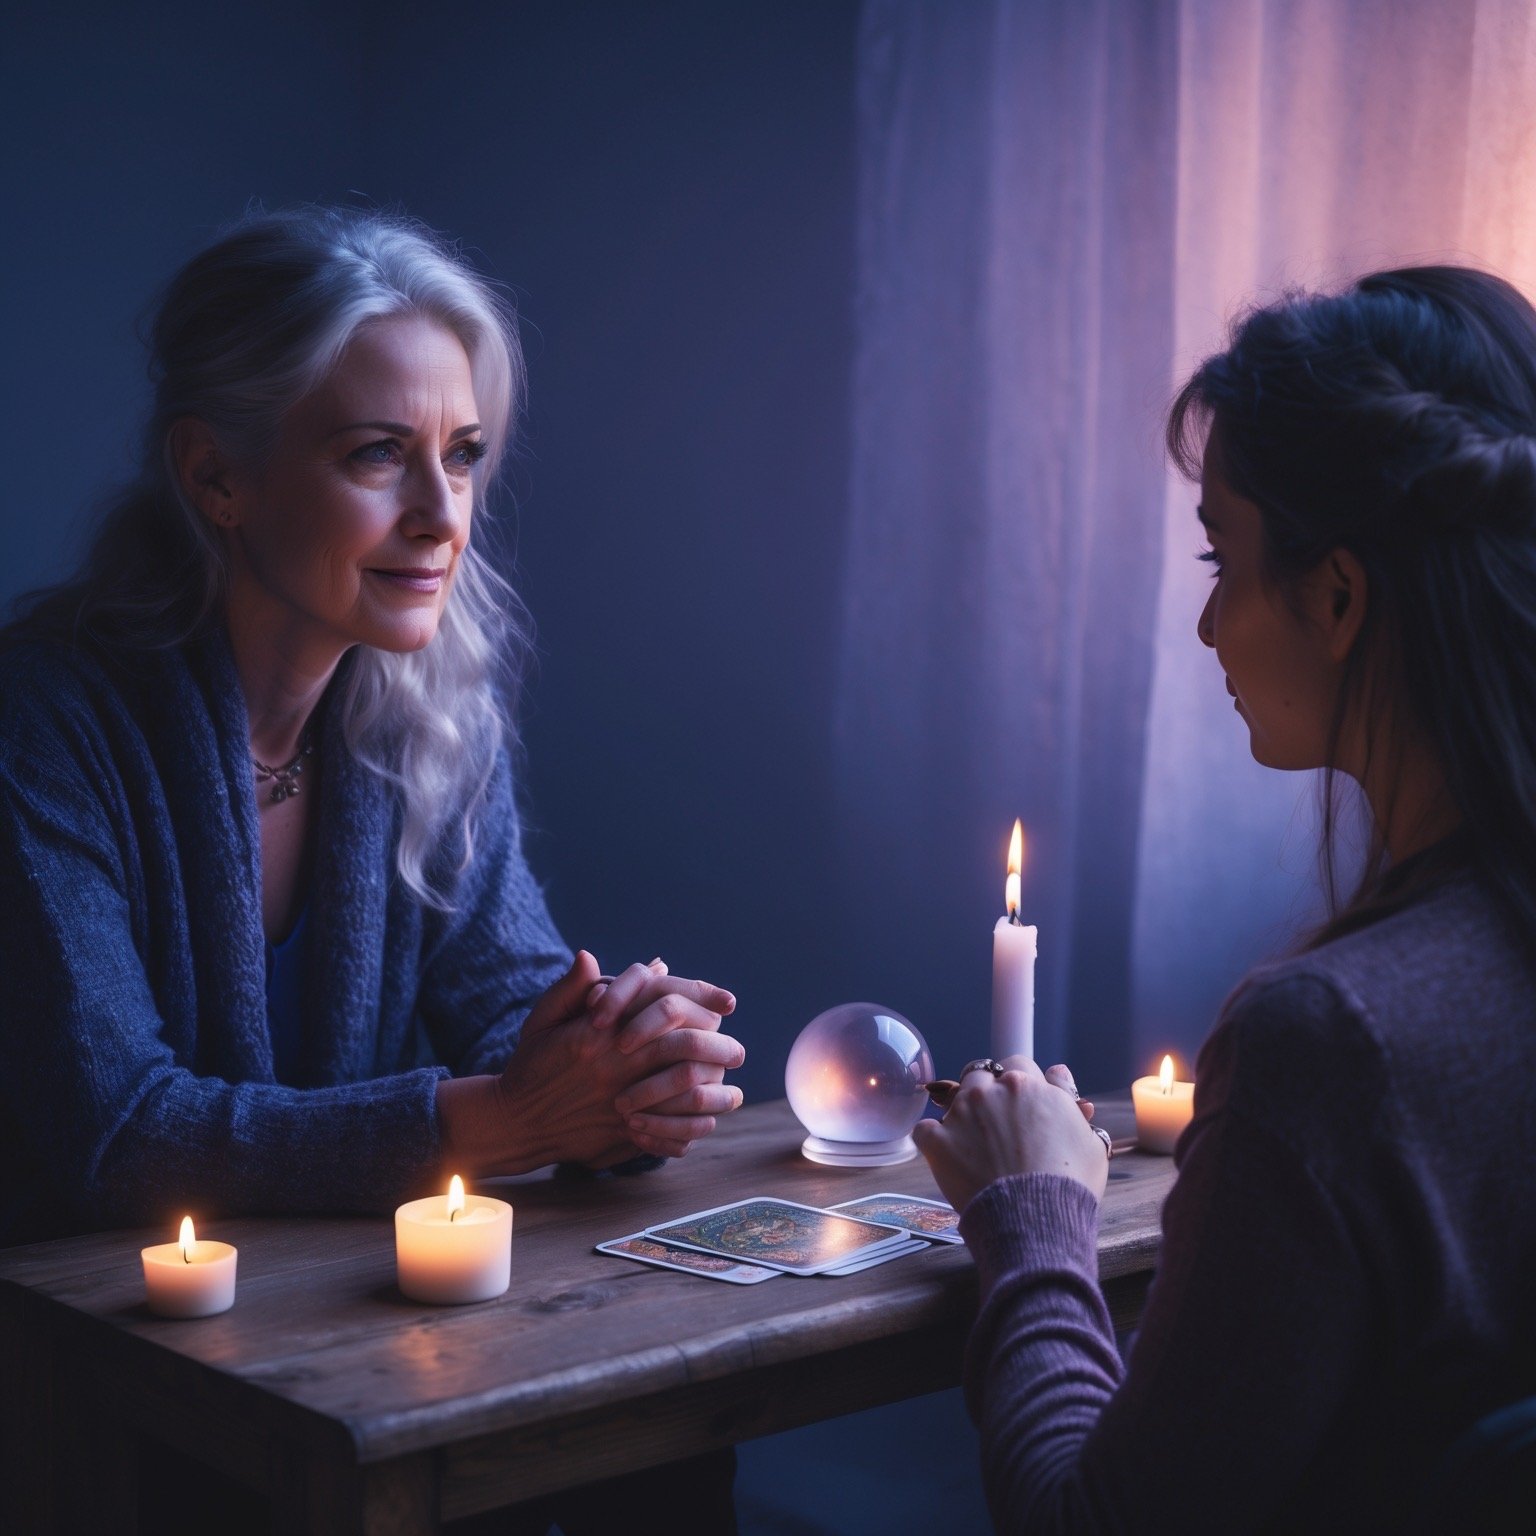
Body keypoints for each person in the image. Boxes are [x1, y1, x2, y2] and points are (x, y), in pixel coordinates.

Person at [0, 205, 749, 1530]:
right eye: (376, 457)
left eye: (462, 457)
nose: (440, 514)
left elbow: (516, 1003)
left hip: (338, 1357)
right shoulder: (47, 720)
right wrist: (504, 1121)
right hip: (86, 1388)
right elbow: (113, 1131)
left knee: (665, 1445)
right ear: (215, 478)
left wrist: (623, 1061)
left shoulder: (427, 712)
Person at [915, 266, 1536, 1533]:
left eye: (1224, 556)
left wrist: (1031, 1217)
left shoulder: (1334, 1045)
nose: (1208, 626)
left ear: (1340, 596)